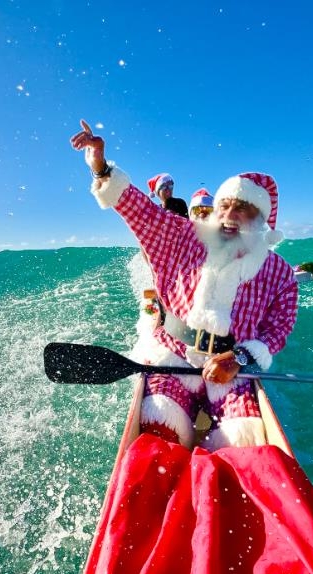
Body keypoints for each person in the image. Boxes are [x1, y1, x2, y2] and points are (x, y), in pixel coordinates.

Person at [71, 120, 297, 451]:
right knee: (159, 427)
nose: (230, 215)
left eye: (243, 209)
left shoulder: (279, 273)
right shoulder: (183, 235)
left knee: (245, 442)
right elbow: (141, 212)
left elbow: (278, 329)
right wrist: (101, 167)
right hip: (173, 357)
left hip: (231, 369)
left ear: (261, 220)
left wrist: (239, 358)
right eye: (225, 206)